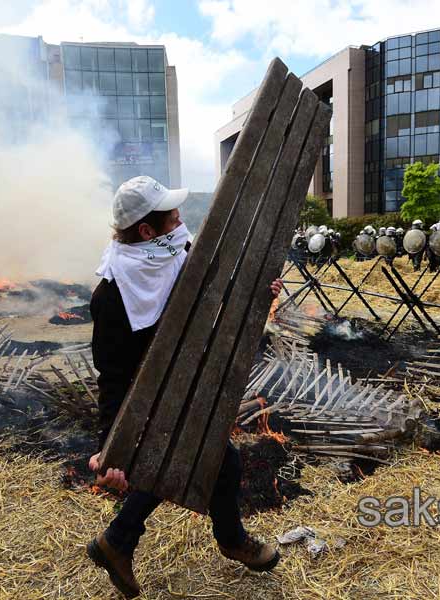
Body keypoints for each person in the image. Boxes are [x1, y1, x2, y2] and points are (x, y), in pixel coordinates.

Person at [87, 176, 282, 598]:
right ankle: (223, 540)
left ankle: (120, 542)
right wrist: (110, 448)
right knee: (210, 460)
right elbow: (113, 377)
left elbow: (215, 289)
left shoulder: (174, 254)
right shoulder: (112, 296)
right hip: (152, 401)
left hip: (190, 384)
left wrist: (258, 295)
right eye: (172, 217)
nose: (180, 221)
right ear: (146, 231)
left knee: (218, 459)